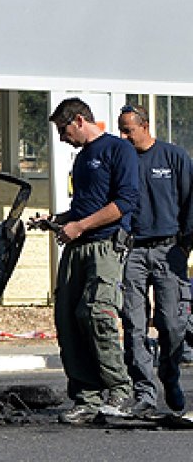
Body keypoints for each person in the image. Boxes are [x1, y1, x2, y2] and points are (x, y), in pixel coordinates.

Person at [33, 97, 139, 424]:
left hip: (105, 246)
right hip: (76, 248)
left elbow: (124, 202)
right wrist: (56, 219)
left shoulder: (117, 150)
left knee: (97, 314)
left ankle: (121, 392)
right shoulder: (81, 159)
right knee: (67, 318)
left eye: (64, 130)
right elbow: (83, 209)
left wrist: (79, 226)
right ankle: (87, 398)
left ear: (79, 120)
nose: (63, 138)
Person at [117, 104, 193, 417]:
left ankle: (170, 376)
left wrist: (184, 247)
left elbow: (190, 202)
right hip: (134, 251)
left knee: (171, 324)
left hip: (169, 250)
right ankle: (144, 392)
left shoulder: (174, 156)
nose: (123, 135)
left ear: (144, 126)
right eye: (121, 130)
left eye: (128, 130)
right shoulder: (123, 159)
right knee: (134, 325)